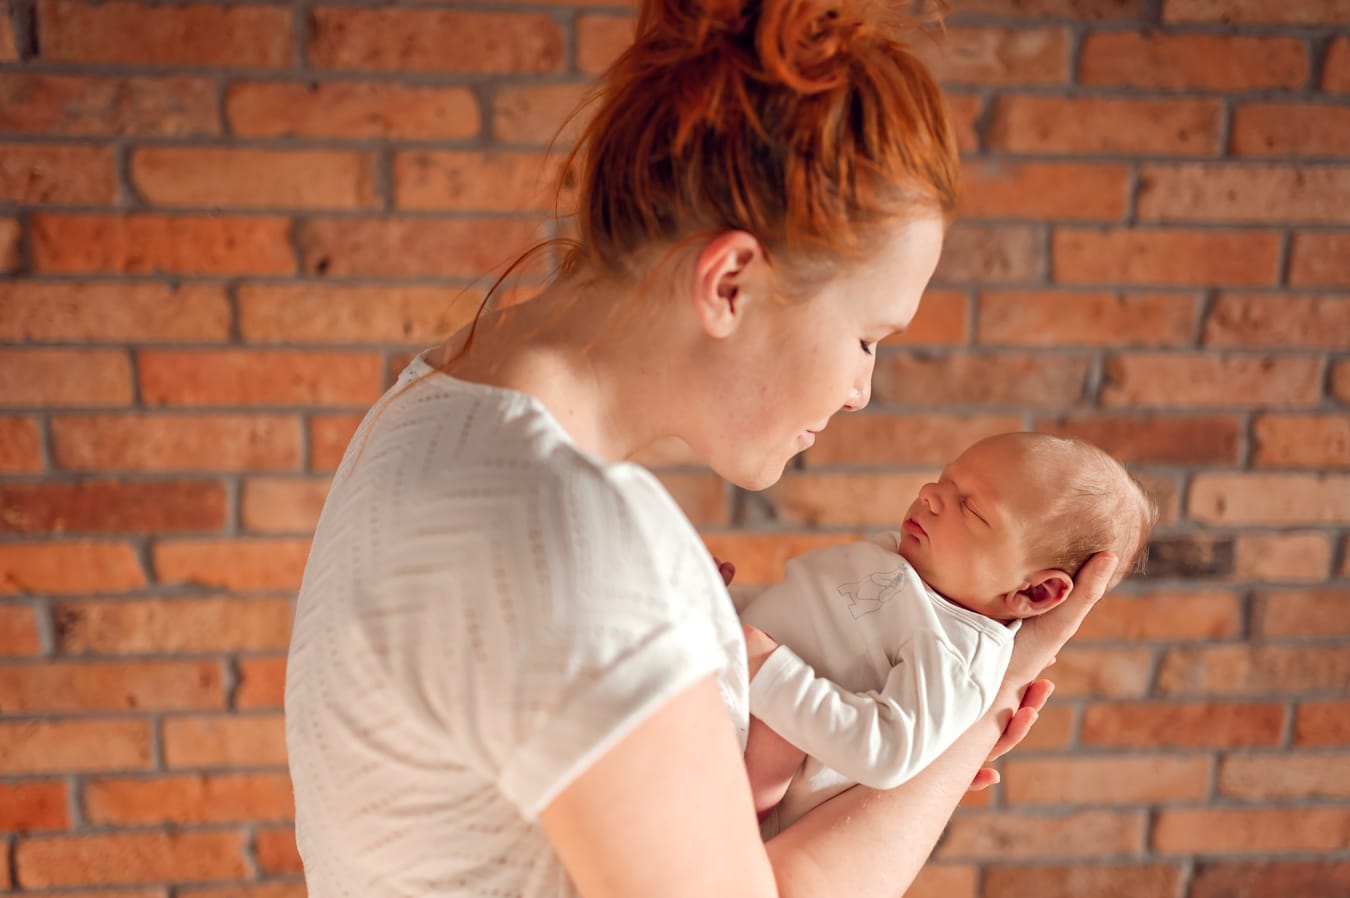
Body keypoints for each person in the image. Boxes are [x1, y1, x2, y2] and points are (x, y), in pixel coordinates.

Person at [282, 1, 1122, 896]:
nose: (859, 389)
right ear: (731, 281)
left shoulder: (430, 403)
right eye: (869, 336)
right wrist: (990, 701)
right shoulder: (585, 542)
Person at [740, 432, 1156, 834]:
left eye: (971, 509)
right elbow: (803, 612)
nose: (929, 494)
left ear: (1034, 590)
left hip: (747, 780)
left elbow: (886, 752)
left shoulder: (956, 651)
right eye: (943, 479)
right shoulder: (909, 567)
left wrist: (763, 667)